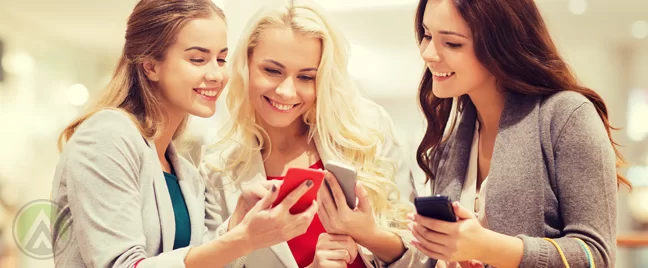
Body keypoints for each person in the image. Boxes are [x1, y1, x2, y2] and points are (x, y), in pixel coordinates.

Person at [51, 1, 318, 267]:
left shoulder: (186, 173)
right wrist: (244, 239)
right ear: (150, 65)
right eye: (198, 59)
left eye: (221, 59)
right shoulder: (107, 136)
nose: (216, 74)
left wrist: (239, 222)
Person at [408, 0, 629, 267]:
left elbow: (596, 256)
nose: (428, 53)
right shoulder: (451, 143)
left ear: (500, 45)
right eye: (427, 35)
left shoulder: (566, 115)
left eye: (452, 43)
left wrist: (489, 248)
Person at [199, 1, 420, 267]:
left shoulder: (368, 132)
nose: (286, 92)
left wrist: (369, 234)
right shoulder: (218, 167)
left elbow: (423, 255)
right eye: (272, 70)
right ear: (245, 64)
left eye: (306, 77)